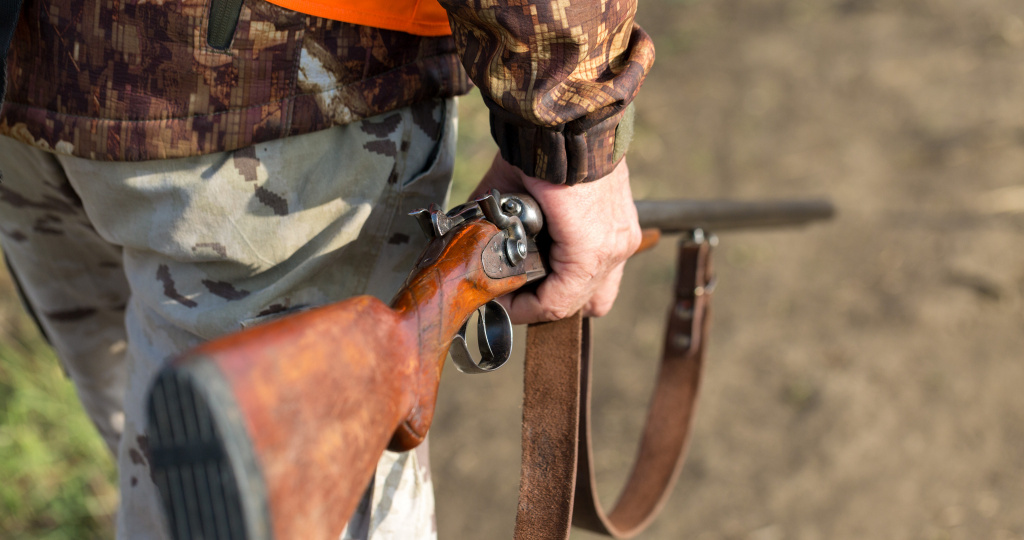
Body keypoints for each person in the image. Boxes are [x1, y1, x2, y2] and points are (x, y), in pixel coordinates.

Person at [0, 0, 654, 538]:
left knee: (179, 478)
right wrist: (575, 123)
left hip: (29, 74)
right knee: (232, 482)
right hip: (283, 82)